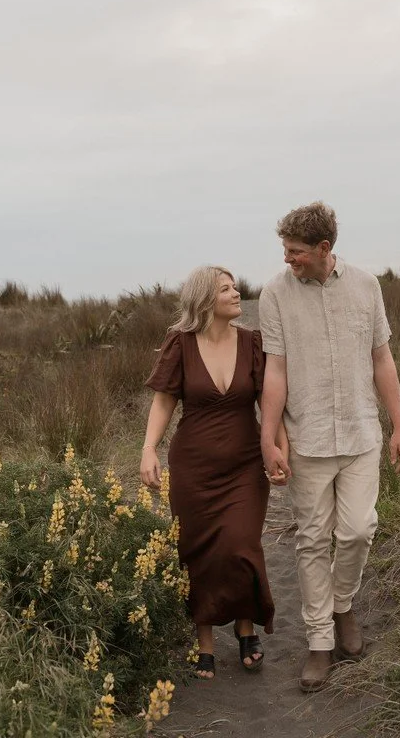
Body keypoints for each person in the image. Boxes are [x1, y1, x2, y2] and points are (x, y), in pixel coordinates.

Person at [258, 202, 400, 692]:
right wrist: (269, 438)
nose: (288, 259)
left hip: (361, 433)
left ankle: (343, 603)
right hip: (306, 438)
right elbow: (275, 371)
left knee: (357, 530)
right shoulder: (274, 295)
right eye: (285, 250)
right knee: (311, 538)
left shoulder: (367, 287)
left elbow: (382, 360)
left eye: (296, 251)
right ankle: (320, 640)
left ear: (325, 249)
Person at [140, 265, 279, 678]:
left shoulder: (253, 343)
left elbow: (269, 401)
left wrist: (277, 446)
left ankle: (245, 625)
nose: (237, 293)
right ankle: (204, 643)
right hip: (193, 466)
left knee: (241, 544)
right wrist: (149, 449)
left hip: (244, 464)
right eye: (226, 288)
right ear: (205, 300)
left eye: (236, 286)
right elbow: (164, 402)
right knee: (197, 552)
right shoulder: (179, 344)